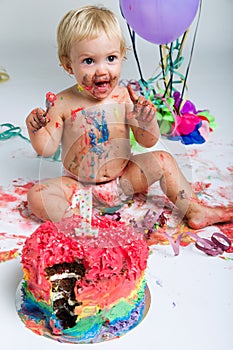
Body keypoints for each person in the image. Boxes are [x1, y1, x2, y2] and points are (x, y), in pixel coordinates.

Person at [26, 5, 233, 228]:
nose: (102, 70)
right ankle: (79, 223)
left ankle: (194, 210)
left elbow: (147, 141)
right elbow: (46, 149)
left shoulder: (126, 98)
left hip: (124, 181)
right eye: (89, 61)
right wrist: (36, 129)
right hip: (77, 187)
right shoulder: (62, 102)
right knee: (37, 196)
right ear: (68, 64)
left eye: (111, 58)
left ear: (123, 56)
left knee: (164, 160)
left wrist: (146, 121)